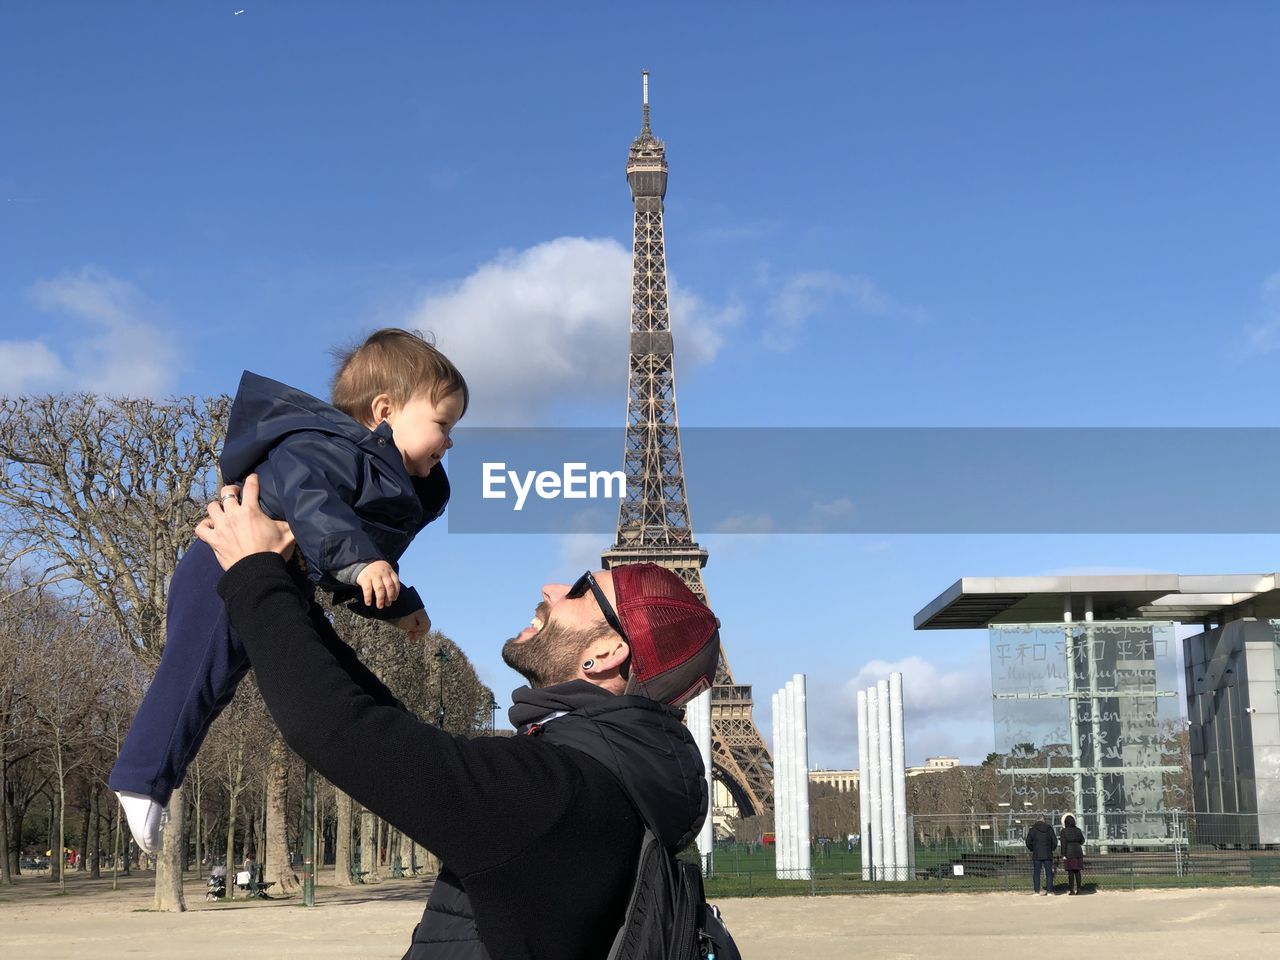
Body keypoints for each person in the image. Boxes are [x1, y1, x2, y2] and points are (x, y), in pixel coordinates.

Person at [195, 475, 718, 960]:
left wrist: (254, 574)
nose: (551, 589)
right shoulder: (619, 788)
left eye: (581, 589)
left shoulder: (555, 792)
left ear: (605, 653)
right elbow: (391, 731)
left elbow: (340, 729)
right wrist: (298, 598)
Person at [109, 329, 468, 852]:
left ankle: (421, 764)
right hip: (221, 568)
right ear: (385, 410)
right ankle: (141, 779)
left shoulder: (375, 475)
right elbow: (317, 511)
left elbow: (332, 557)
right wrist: (365, 561)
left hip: (280, 578)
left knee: (270, 682)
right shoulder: (325, 448)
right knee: (195, 676)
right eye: (443, 423)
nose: (451, 441)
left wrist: (397, 605)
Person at [1025, 815, 1058, 896]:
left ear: (1037, 820)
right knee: (1049, 873)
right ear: (1044, 820)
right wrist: (1052, 849)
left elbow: (1028, 841)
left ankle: (1037, 891)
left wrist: (1032, 849)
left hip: (1037, 854)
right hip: (1047, 853)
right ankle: (1049, 891)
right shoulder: (1049, 829)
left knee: (1036, 873)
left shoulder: (1033, 829)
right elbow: (1054, 841)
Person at [1059, 814, 1086, 895]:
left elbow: (1063, 843)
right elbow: (1082, 841)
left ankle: (1071, 890)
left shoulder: (1064, 831)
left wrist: (1063, 854)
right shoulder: (1078, 830)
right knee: (1078, 871)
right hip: (1078, 851)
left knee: (1070, 872)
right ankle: (1079, 889)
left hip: (1069, 852)